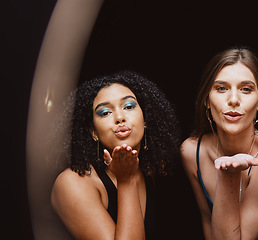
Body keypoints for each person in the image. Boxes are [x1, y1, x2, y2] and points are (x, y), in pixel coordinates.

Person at [51, 70, 180, 239]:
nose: (120, 117)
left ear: (145, 120)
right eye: (105, 112)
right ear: (94, 132)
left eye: (128, 106)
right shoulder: (72, 183)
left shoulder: (150, 171)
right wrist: (126, 180)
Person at [181, 47, 258, 240]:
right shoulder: (192, 151)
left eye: (246, 89)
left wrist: (229, 175)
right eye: (221, 88)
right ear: (206, 101)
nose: (233, 100)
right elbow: (207, 222)